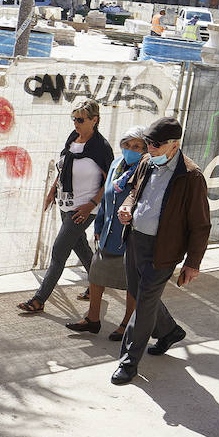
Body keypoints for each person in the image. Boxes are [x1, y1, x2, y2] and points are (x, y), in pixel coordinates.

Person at [111, 116, 211, 385]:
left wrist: (193, 263)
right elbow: (135, 192)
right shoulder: (147, 162)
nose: (150, 148)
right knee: (140, 294)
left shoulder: (191, 177)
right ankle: (169, 331)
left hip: (163, 250)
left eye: (156, 144)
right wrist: (127, 207)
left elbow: (201, 225)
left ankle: (128, 362)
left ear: (174, 144)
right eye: (148, 142)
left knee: (143, 305)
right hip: (135, 241)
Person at [18, 99, 113, 315]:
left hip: (83, 209)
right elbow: (64, 167)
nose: (76, 123)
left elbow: (110, 181)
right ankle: (97, 284)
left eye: (81, 120)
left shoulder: (101, 147)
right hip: (65, 203)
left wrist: (91, 205)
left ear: (94, 120)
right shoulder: (73, 138)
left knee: (59, 251)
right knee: (80, 246)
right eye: (74, 118)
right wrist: (53, 190)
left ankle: (39, 299)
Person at [64, 125, 144, 339]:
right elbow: (107, 199)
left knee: (131, 283)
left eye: (137, 146)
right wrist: (99, 226)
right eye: (128, 145)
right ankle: (93, 319)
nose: (131, 149)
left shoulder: (145, 171)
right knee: (96, 275)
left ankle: (127, 324)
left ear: (145, 149)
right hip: (108, 232)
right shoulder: (117, 165)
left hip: (131, 236)